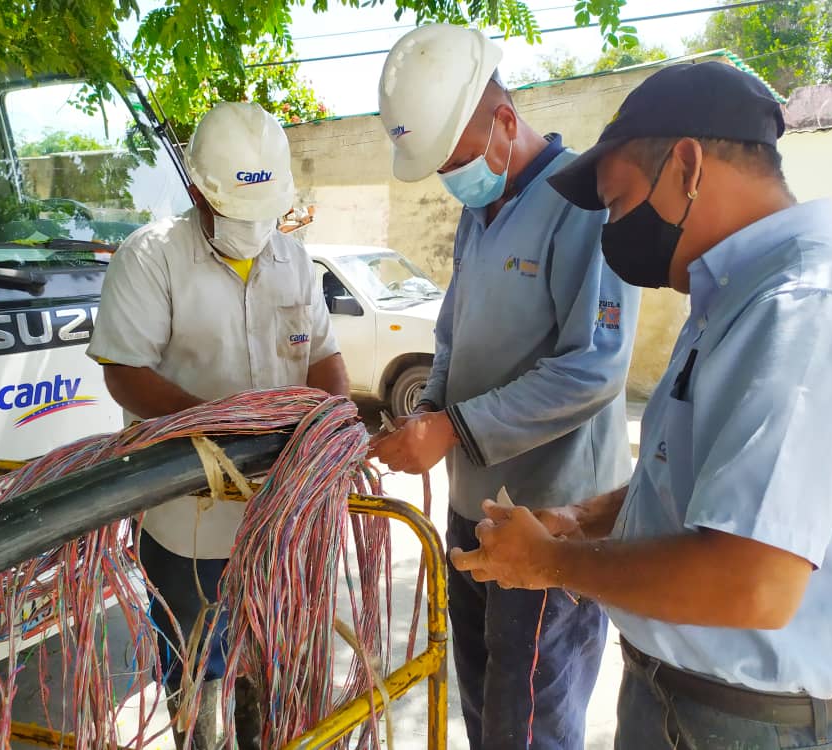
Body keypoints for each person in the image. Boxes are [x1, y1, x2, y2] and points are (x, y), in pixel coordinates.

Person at [451, 61, 832, 749]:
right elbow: (692, 484)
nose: (613, 231)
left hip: (748, 724)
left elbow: (753, 582)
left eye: (618, 204)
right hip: (679, 701)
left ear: (689, 166)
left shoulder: (802, 306)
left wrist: (548, 563)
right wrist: (582, 518)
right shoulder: (728, 298)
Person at [369, 24, 640, 750]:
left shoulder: (584, 203)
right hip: (473, 512)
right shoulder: (477, 213)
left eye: (455, 161)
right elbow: (454, 335)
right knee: (489, 709)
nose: (452, 180)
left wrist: (453, 429)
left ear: (506, 123)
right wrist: (428, 410)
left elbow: (595, 367)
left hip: (553, 520)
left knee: (533, 726)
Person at [86, 102, 349, 750]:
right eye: (236, 211)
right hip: (188, 525)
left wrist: (327, 427)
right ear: (199, 191)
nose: (252, 228)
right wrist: (217, 436)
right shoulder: (151, 258)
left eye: (264, 214)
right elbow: (124, 370)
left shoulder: (293, 261)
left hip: (280, 523)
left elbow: (326, 363)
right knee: (197, 681)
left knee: (272, 668)